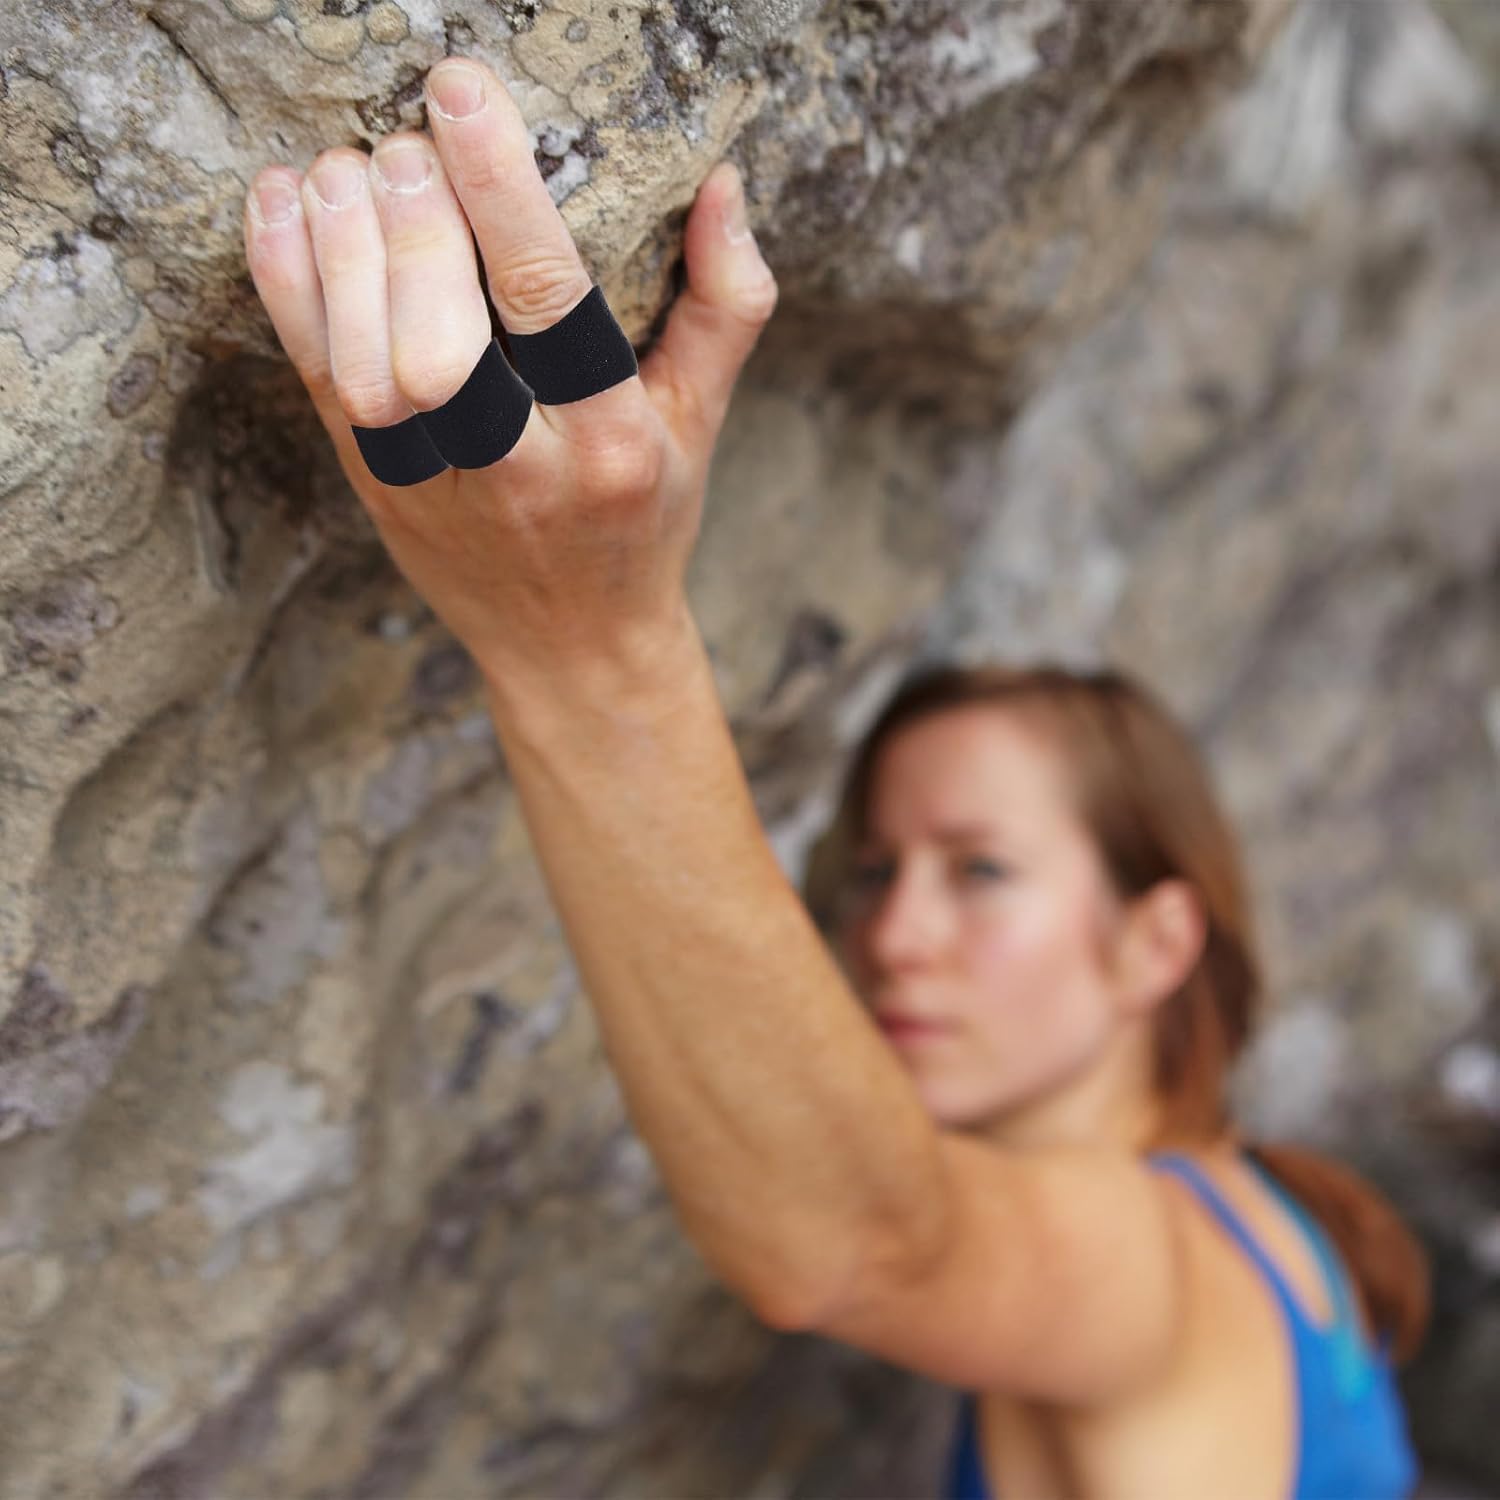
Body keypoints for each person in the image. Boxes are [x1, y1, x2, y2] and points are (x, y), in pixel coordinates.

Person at [797, 661, 1430, 1500]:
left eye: (980, 870)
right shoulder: (1250, 1199)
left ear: (1154, 945)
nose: (891, 937)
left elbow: (806, 1249)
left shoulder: (1125, 1247)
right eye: (877, 873)